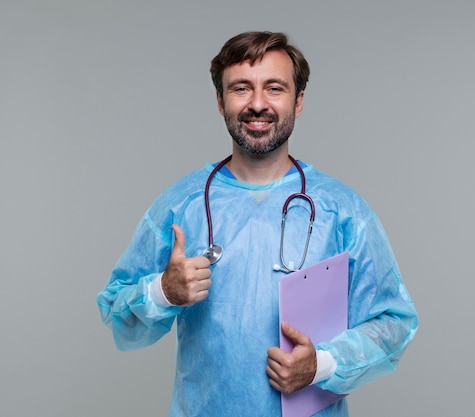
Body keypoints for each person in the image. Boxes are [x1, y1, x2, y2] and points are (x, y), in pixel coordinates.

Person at [97, 31, 418, 416]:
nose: (258, 104)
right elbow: (118, 314)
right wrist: (164, 291)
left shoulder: (343, 210)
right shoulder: (181, 204)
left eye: (275, 88)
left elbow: (393, 321)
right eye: (241, 89)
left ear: (298, 102)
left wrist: (323, 364)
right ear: (220, 102)